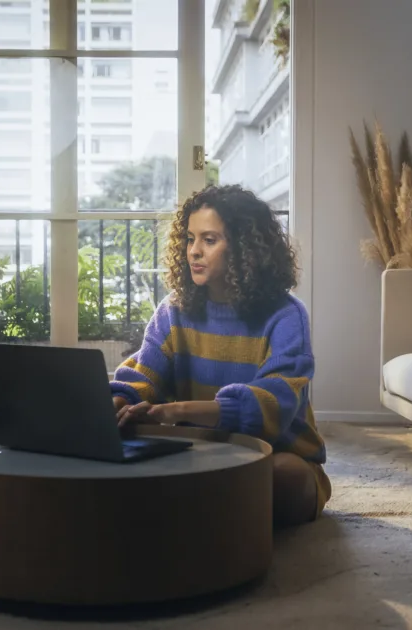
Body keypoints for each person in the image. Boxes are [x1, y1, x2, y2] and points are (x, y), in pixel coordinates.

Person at [109, 184, 331, 528]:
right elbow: (143, 374)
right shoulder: (172, 310)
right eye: (190, 239)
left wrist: (178, 411)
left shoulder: (286, 315)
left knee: (279, 478)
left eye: (209, 240)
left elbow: (276, 400)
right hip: (196, 451)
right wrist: (120, 402)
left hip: (273, 455)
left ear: (245, 250)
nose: (194, 252)